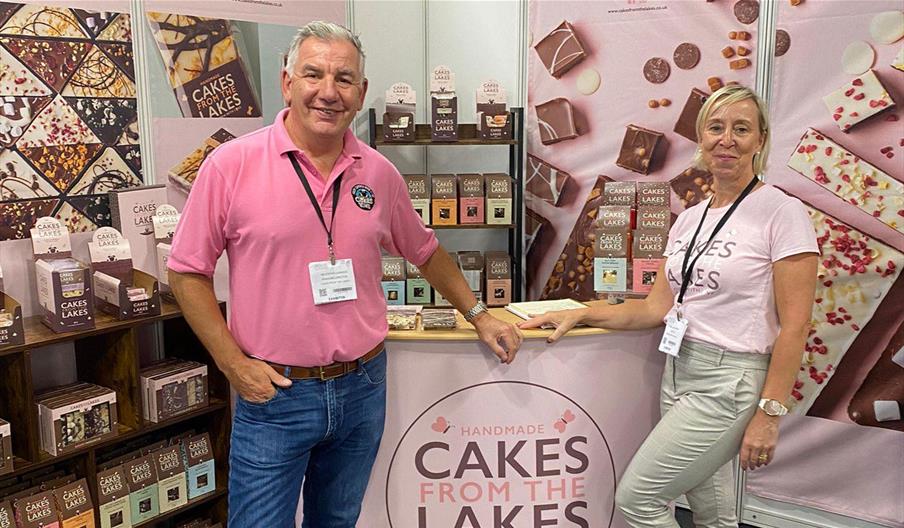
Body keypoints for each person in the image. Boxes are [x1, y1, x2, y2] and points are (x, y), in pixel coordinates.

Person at [167, 21, 523, 528]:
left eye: (344, 78)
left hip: (362, 386)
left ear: (361, 92)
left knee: (337, 520)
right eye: (314, 74)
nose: (328, 92)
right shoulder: (230, 165)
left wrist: (480, 314)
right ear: (288, 82)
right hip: (275, 393)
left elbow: (425, 251)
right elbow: (186, 272)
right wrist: (231, 363)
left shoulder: (379, 173)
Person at [520, 84, 818, 528]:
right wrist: (582, 312)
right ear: (701, 137)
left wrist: (769, 414)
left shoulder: (782, 212)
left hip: (730, 382)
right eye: (716, 127)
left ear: (761, 140)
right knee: (713, 513)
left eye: (741, 129)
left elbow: (796, 326)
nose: (727, 140)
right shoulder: (691, 218)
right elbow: (653, 308)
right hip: (679, 370)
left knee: (638, 499)